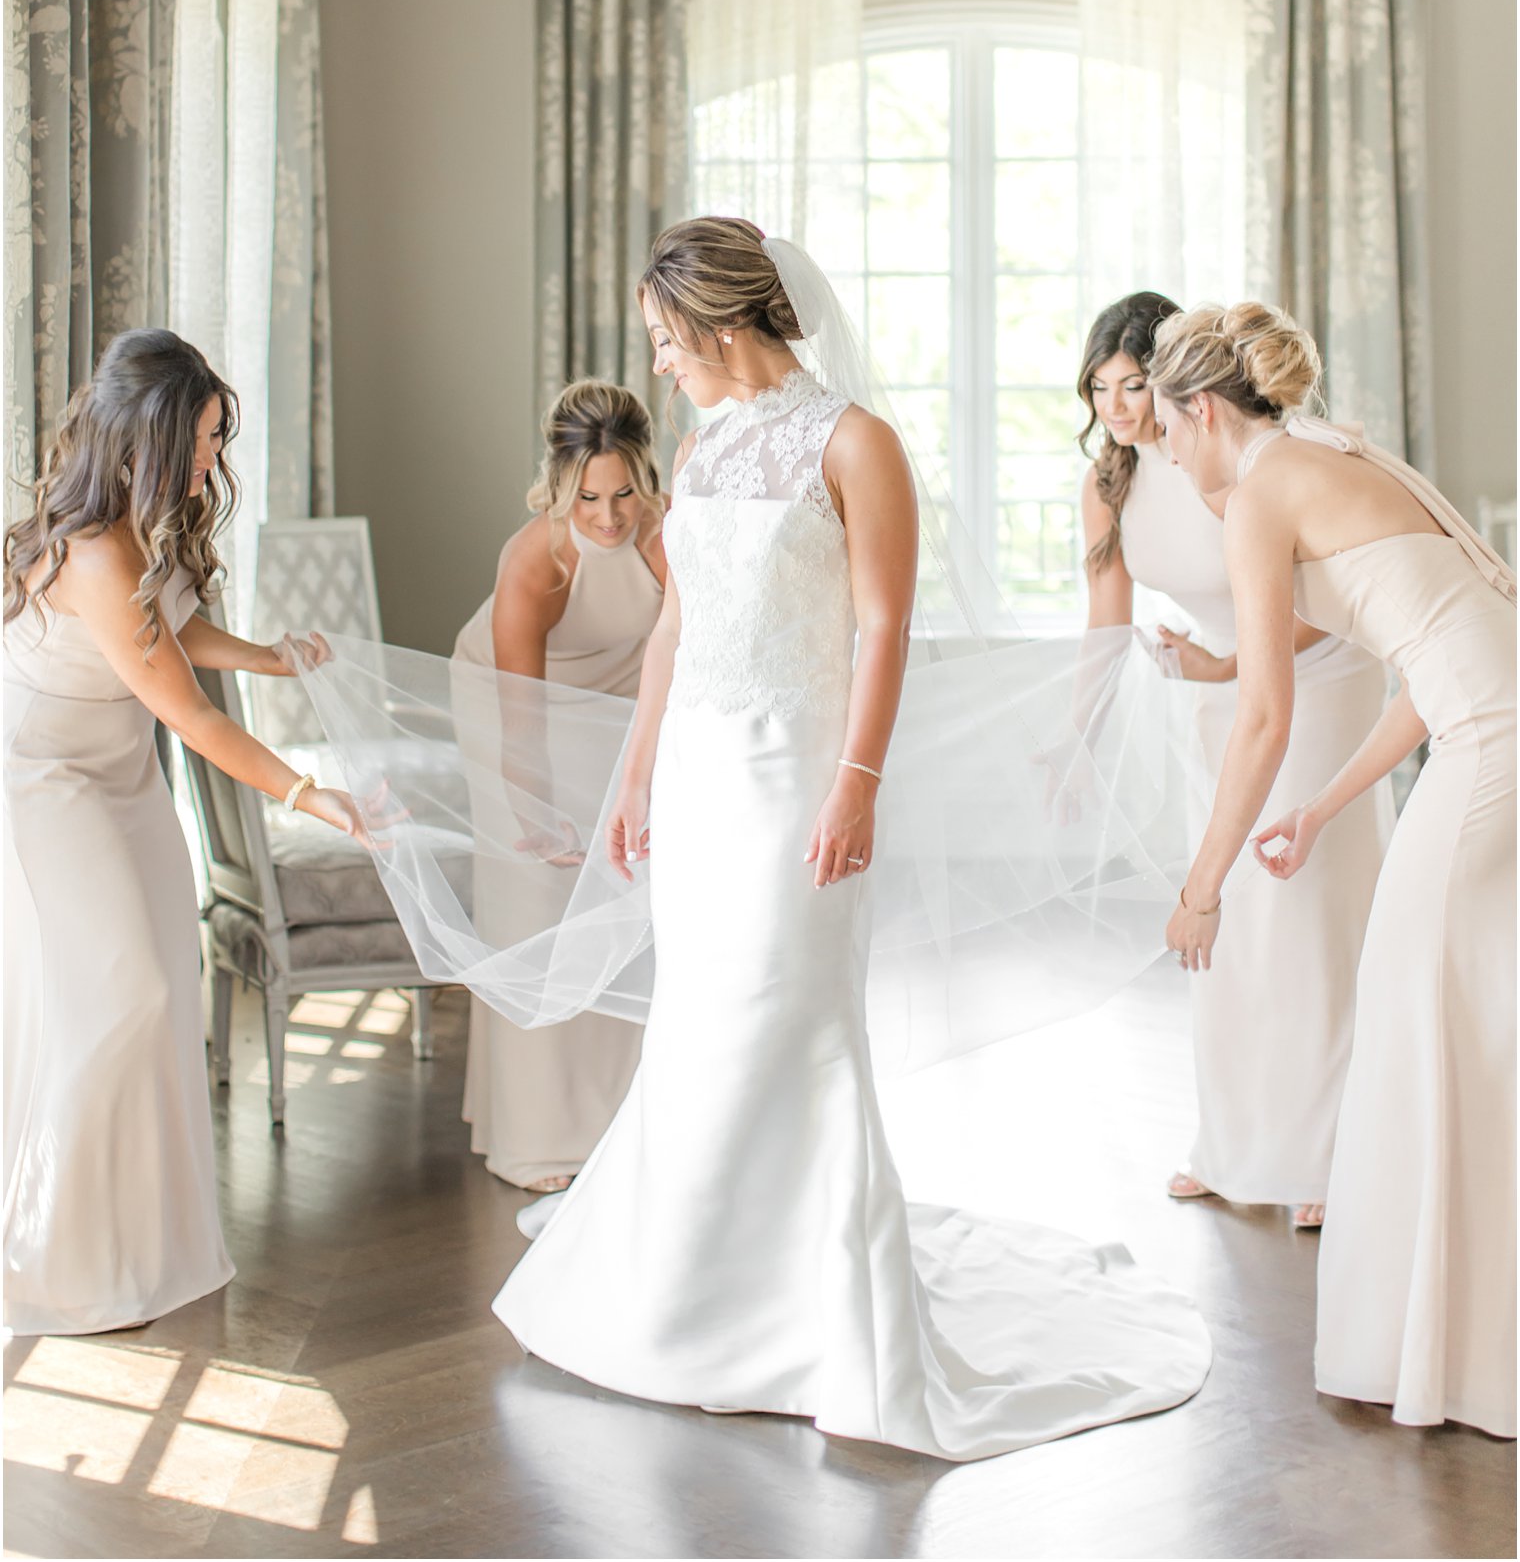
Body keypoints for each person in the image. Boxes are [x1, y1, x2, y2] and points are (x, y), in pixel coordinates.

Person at [490, 218, 1210, 1461]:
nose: (658, 365)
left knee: (792, 1020)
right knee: (701, 1022)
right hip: (705, 778)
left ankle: (805, 1310)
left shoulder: (854, 441)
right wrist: (635, 770)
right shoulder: (709, 448)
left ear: (718, 325)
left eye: (666, 341)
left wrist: (855, 780)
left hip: (797, 775)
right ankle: (683, 1291)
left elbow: (881, 629)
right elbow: (677, 628)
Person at [1149, 301, 1515, 1439]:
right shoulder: (1337, 452)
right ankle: (1459, 1335)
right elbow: (1437, 659)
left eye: (1160, 428)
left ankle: (1444, 1350)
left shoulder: (1264, 492)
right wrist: (1318, 808)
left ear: (1199, 410)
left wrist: (1200, 884)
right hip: (1490, 734)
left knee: (1414, 1021)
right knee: (1467, 1023)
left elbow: (1262, 712)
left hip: (1490, 752)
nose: (1157, 450)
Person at [3, 329, 361, 1336]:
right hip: (48, 781)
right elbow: (191, 716)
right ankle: (57, 1251)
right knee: (120, 993)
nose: (214, 457)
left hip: (117, 767)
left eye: (215, 437)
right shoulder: (94, 548)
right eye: (203, 438)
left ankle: (144, 1241)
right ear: (151, 437)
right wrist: (307, 795)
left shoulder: (143, 521)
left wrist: (271, 660)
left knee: (166, 982)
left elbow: (174, 630)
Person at [1079, 293, 1392, 1229]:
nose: (1120, 409)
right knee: (1223, 920)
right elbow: (1103, 622)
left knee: (1298, 909)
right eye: (1099, 388)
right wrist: (1076, 736)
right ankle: (1230, 1141)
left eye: (1138, 386)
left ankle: (1328, 1153)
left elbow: (1324, 598)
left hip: (1315, 673)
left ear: (1186, 390)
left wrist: (1224, 661)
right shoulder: (1112, 480)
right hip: (1217, 698)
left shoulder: (1264, 459)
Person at [453, 381, 665, 1193]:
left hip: (621, 700)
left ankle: (620, 1119)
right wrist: (534, 816)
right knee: (538, 902)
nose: (609, 518)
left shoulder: (667, 535)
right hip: (513, 704)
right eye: (588, 498)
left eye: (623, 494)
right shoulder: (534, 560)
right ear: (558, 485)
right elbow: (523, 721)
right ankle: (538, 1135)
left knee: (623, 887)